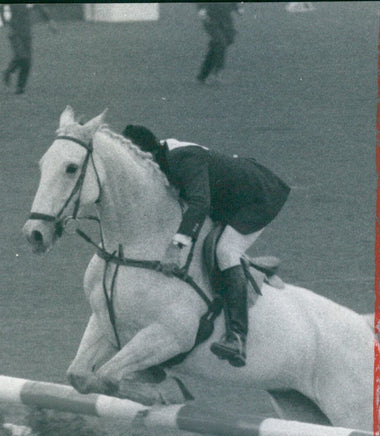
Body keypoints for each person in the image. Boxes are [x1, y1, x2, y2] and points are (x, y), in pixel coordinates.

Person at [123, 124, 290, 368]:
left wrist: (176, 246)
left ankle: (237, 337)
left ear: (148, 155)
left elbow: (199, 203)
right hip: (226, 198)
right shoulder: (163, 156)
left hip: (257, 197)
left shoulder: (183, 158)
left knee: (225, 251)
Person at [0, 4, 56, 95]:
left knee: (27, 61)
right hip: (14, 31)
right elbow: (0, 6)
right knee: (22, 56)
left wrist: (49, 20)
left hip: (26, 32)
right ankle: (8, 71)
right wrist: (4, 21)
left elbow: (40, 7)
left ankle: (20, 88)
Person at [196, 3, 241, 84]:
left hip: (225, 18)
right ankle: (217, 72)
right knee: (220, 43)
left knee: (223, 42)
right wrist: (201, 9)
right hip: (210, 18)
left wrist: (237, 8)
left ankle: (203, 75)